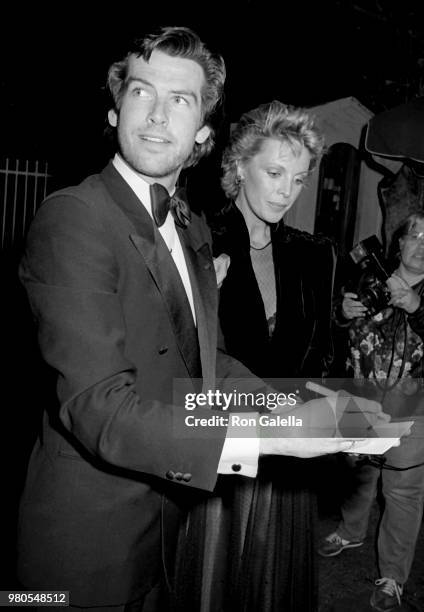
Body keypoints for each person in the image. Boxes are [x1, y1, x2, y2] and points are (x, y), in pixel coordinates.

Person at [16, 27, 387, 612]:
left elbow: (207, 364)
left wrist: (300, 405)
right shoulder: (74, 217)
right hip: (81, 550)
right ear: (114, 112)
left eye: (180, 100)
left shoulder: (189, 227)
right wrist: (284, 432)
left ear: (203, 136)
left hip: (166, 527)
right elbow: (100, 407)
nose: (158, 115)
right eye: (142, 93)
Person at [207, 100, 337, 611]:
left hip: (289, 458)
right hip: (221, 452)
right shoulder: (197, 240)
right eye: (275, 172)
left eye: (300, 178)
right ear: (240, 167)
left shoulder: (315, 254)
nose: (286, 191)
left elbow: (322, 359)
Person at [318, 213, 424, 611]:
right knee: (358, 470)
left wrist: (416, 305)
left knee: (403, 491)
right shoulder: (368, 274)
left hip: (414, 407)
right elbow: (331, 327)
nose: (421, 244)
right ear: (399, 243)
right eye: (415, 235)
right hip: (361, 398)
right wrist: (341, 313)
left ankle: (393, 576)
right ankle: (350, 530)